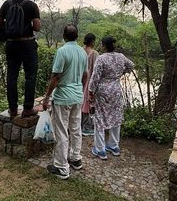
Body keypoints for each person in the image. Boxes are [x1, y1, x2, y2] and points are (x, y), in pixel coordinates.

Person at [42, 24, 88, 179]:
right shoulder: (83, 52)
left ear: (64, 35)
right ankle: (76, 158)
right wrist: (80, 90)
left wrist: (47, 97)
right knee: (75, 128)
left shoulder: (62, 51)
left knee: (61, 131)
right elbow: (85, 75)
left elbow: (55, 77)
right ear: (77, 36)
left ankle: (62, 167)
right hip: (77, 96)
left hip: (63, 97)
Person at [0, 0, 41, 118]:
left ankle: (13, 109)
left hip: (11, 44)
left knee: (12, 76)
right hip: (27, 44)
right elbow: (37, 27)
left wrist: (10, 29)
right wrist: (27, 27)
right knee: (30, 76)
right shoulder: (32, 5)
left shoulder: (7, 4)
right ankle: (27, 109)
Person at [88, 36, 134, 159]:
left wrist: (91, 91)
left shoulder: (101, 58)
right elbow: (131, 66)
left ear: (103, 46)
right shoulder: (121, 57)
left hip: (102, 92)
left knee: (100, 118)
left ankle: (100, 150)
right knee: (116, 116)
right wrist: (120, 74)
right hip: (116, 90)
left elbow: (95, 77)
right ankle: (114, 146)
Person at [81, 33, 99, 136]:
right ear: (92, 41)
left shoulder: (80, 51)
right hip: (90, 80)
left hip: (80, 80)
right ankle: (86, 127)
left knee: (82, 102)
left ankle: (81, 125)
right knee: (89, 103)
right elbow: (97, 70)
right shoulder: (94, 53)